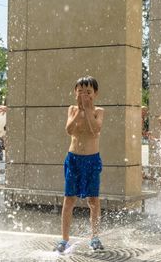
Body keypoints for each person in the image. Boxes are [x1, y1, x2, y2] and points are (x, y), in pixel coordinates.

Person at [54, 76, 105, 253]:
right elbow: (69, 129)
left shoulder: (99, 111)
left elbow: (95, 130)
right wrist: (79, 112)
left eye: (88, 92)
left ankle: (95, 237)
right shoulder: (72, 110)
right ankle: (64, 239)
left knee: (93, 200)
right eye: (81, 92)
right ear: (75, 93)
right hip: (74, 159)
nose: (85, 96)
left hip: (91, 160)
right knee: (69, 199)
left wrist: (88, 111)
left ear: (95, 93)